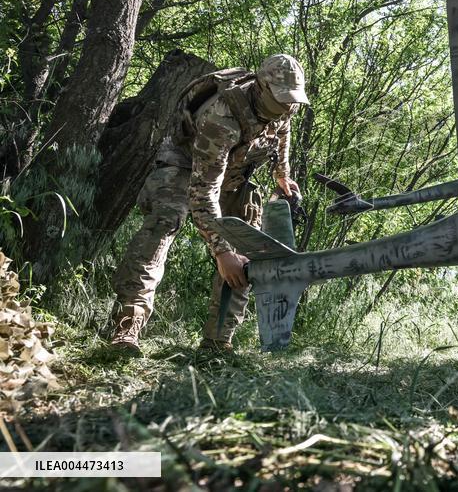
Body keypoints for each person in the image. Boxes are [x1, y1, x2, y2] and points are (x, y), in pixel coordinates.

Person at [107, 54, 309, 355]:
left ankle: (217, 342)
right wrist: (221, 250)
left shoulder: (284, 104)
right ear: (261, 88)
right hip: (186, 164)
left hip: (232, 172)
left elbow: (283, 132)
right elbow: (203, 194)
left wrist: (283, 174)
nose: (287, 106)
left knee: (248, 245)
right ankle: (127, 326)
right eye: (281, 98)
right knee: (165, 223)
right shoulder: (221, 118)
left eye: (292, 100)